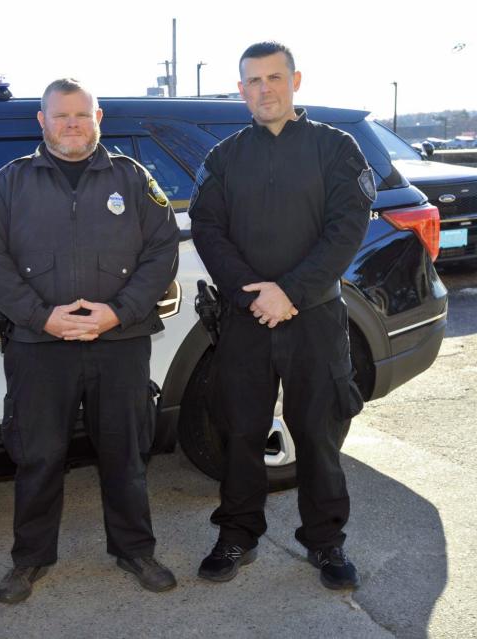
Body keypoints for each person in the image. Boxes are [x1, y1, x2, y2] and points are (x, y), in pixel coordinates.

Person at [0, 78, 180, 604]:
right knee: (38, 455)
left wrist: (119, 312)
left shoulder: (132, 180)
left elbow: (162, 251)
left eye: (81, 115)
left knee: (126, 452)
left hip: (120, 341)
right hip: (40, 347)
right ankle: (30, 560)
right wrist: (43, 318)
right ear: (41, 121)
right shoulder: (11, 182)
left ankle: (135, 550)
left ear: (98, 117)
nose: (71, 125)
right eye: (60, 116)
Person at [188, 41, 374, 590]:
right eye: (253, 80)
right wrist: (253, 297)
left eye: (274, 77)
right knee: (239, 428)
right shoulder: (224, 158)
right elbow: (208, 230)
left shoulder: (335, 149)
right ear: (241, 89)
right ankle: (237, 534)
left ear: (296, 80)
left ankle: (326, 542)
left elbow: (346, 229)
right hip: (246, 320)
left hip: (314, 317)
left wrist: (288, 292)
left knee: (317, 431)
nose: (264, 88)